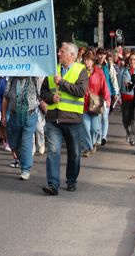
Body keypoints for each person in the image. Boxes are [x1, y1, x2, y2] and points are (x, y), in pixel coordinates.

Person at [40, 42, 88, 195]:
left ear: (71, 55)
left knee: (74, 153)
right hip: (54, 119)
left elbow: (80, 91)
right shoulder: (52, 70)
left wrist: (62, 82)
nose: (58, 54)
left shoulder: (80, 70)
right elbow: (43, 91)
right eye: (59, 51)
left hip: (72, 119)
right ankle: (53, 184)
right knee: (53, 151)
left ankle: (71, 180)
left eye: (61, 51)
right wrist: (50, 98)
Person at [2, 76, 43, 180]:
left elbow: (41, 97)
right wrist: (3, 116)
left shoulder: (34, 79)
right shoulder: (12, 79)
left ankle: (25, 169)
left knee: (26, 142)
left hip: (30, 115)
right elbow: (6, 98)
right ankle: (22, 159)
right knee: (14, 144)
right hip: (14, 116)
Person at [81, 50, 110, 157]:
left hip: (95, 103)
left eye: (88, 60)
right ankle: (88, 148)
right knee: (85, 127)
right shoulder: (80, 71)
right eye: (85, 60)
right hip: (83, 104)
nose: (86, 62)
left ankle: (93, 143)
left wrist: (107, 99)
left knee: (95, 129)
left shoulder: (99, 72)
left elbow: (104, 87)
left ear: (93, 61)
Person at [96, 48, 119, 146]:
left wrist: (115, 93)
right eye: (100, 54)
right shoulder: (93, 66)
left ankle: (103, 136)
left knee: (104, 116)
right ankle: (99, 135)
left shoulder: (109, 66)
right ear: (97, 55)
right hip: (95, 95)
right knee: (98, 116)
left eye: (103, 55)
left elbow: (113, 79)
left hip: (106, 94)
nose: (101, 57)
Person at [119, 53, 135, 145]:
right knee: (125, 119)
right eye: (131, 59)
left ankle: (132, 136)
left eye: (134, 59)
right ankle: (128, 132)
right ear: (128, 60)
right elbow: (119, 84)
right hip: (126, 97)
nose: (132, 61)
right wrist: (118, 95)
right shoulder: (123, 70)